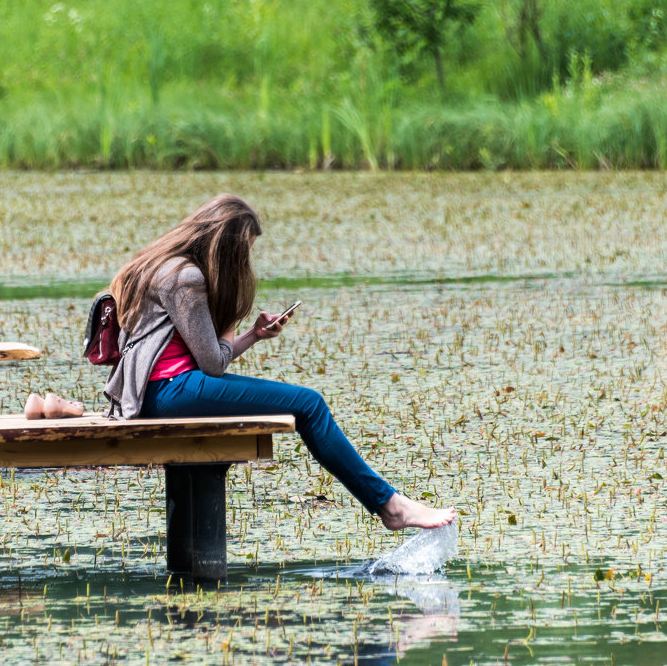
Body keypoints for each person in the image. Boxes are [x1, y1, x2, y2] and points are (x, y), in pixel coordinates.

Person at [103, 194, 456, 530]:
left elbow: (204, 358)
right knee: (309, 404)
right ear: (226, 246)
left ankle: (389, 503)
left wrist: (253, 335)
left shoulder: (161, 264)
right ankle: (391, 507)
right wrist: (230, 322)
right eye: (244, 253)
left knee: (306, 404)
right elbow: (212, 364)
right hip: (170, 391)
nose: (245, 264)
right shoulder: (185, 278)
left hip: (159, 392)